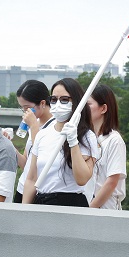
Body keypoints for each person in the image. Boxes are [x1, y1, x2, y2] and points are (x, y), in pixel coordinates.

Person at [22, 78, 99, 207]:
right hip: (42, 202)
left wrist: (73, 142)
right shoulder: (42, 134)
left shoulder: (87, 136)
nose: (58, 104)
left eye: (64, 99)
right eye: (53, 99)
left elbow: (82, 179)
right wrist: (24, 210)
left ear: (76, 102)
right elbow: (31, 179)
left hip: (70, 204)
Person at [11, 79, 54, 204]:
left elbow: (42, 157)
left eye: (28, 108)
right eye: (23, 109)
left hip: (39, 192)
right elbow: (26, 163)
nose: (26, 113)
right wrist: (10, 147)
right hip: (23, 188)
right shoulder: (34, 124)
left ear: (42, 103)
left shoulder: (56, 126)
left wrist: (34, 126)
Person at [87, 84, 127, 209]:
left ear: (103, 108)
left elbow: (111, 182)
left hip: (106, 209)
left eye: (88, 104)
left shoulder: (114, 141)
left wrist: (91, 208)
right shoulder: (86, 139)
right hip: (85, 206)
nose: (84, 110)